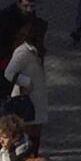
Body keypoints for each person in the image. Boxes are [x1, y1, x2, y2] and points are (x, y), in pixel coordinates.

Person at [0, 0, 37, 145]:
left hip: (13, 65)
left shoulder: (30, 17)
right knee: (3, 102)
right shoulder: (5, 17)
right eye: (26, 6)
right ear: (19, 3)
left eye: (31, 6)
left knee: (4, 102)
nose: (29, 10)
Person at [4, 19, 49, 151]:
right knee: (28, 136)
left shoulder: (35, 51)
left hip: (37, 99)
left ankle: (32, 159)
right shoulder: (23, 52)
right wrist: (26, 82)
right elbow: (9, 72)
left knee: (35, 135)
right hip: (26, 101)